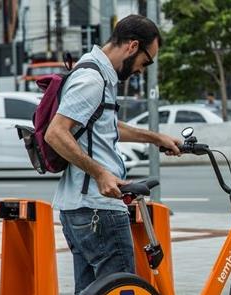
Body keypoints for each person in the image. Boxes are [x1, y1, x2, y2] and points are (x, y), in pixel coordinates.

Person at [44, 15, 182, 294]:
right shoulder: (92, 79)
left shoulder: (95, 72)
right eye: (146, 61)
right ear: (132, 46)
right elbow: (56, 132)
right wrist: (100, 173)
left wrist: (155, 138)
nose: (142, 70)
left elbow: (104, 125)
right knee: (123, 290)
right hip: (99, 209)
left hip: (80, 208)